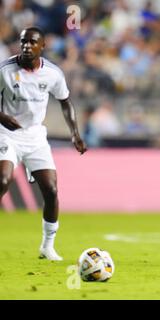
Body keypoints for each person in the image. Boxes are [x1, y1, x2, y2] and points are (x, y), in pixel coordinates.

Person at [0, 27, 87, 261]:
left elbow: (65, 102)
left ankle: (47, 246)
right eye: (23, 42)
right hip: (6, 134)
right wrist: (2, 117)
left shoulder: (53, 74)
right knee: (2, 180)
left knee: (51, 190)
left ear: (42, 46)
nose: (27, 46)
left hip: (36, 136)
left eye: (32, 42)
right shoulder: (5, 70)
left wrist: (75, 134)